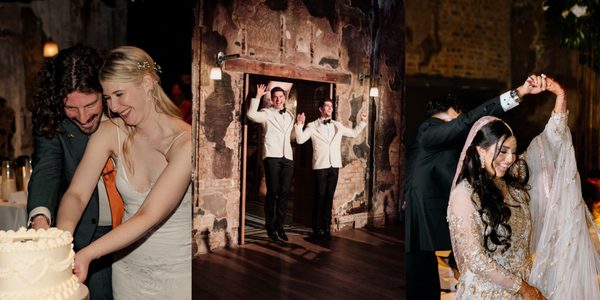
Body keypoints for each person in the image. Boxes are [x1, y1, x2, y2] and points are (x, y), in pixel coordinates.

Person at [56, 46, 192, 299]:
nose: (114, 107)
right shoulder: (110, 132)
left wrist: (87, 254)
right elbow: (76, 194)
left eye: (119, 94)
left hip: (178, 276)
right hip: (127, 274)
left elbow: (148, 215)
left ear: (148, 83)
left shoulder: (186, 143)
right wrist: (62, 242)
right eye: (107, 98)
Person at [448, 75, 600, 299]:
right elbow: (476, 259)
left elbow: (550, 142)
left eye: (513, 151)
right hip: (489, 293)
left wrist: (560, 96)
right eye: (502, 151)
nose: (509, 159)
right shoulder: (464, 194)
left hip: (528, 286)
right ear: (479, 150)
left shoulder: (514, 178)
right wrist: (523, 289)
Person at [404, 77, 545, 300]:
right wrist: (518, 93)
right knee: (418, 282)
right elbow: (465, 123)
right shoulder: (428, 130)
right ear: (453, 110)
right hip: (424, 215)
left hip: (436, 211)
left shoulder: (441, 144)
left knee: (427, 281)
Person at [27, 45, 124, 300]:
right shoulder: (53, 119)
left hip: (135, 231)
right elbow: (47, 171)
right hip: (89, 235)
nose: (82, 117)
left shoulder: (125, 110)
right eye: (71, 108)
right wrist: (41, 222)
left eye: (91, 104)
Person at [294, 98, 367, 239]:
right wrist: (299, 125)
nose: (329, 108)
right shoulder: (312, 125)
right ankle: (316, 228)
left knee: (329, 197)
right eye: (327, 106)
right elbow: (300, 140)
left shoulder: (337, 125)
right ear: (320, 109)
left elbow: (353, 133)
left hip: (334, 166)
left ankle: (326, 228)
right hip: (320, 166)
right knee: (319, 197)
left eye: (331, 106)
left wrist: (363, 121)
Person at [247, 84, 295, 242]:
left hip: (287, 157)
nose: (278, 99)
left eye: (281, 97)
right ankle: (270, 225)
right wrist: (258, 97)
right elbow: (251, 115)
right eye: (275, 97)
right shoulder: (266, 113)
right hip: (272, 156)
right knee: (272, 192)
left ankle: (280, 225)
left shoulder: (290, 114)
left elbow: (291, 136)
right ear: (272, 99)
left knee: (284, 192)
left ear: (285, 98)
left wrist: (300, 125)